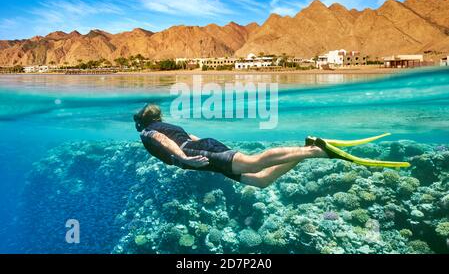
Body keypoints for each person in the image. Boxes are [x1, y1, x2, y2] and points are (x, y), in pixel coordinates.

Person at [134, 104, 410, 189]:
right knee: (261, 180)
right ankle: (309, 149)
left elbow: (164, 142)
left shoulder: (149, 132)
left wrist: (183, 158)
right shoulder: (166, 124)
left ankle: (318, 150)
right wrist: (191, 153)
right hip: (201, 151)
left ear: (142, 122)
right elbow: (191, 136)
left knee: (254, 162)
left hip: (196, 155)